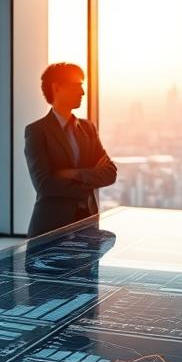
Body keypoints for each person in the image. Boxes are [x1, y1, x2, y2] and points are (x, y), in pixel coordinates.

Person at [24, 62, 117, 238]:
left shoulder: (88, 128)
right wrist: (88, 182)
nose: (83, 92)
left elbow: (110, 173)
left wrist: (73, 174)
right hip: (51, 230)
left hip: (88, 227)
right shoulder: (37, 131)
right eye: (77, 85)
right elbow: (44, 185)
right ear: (57, 88)